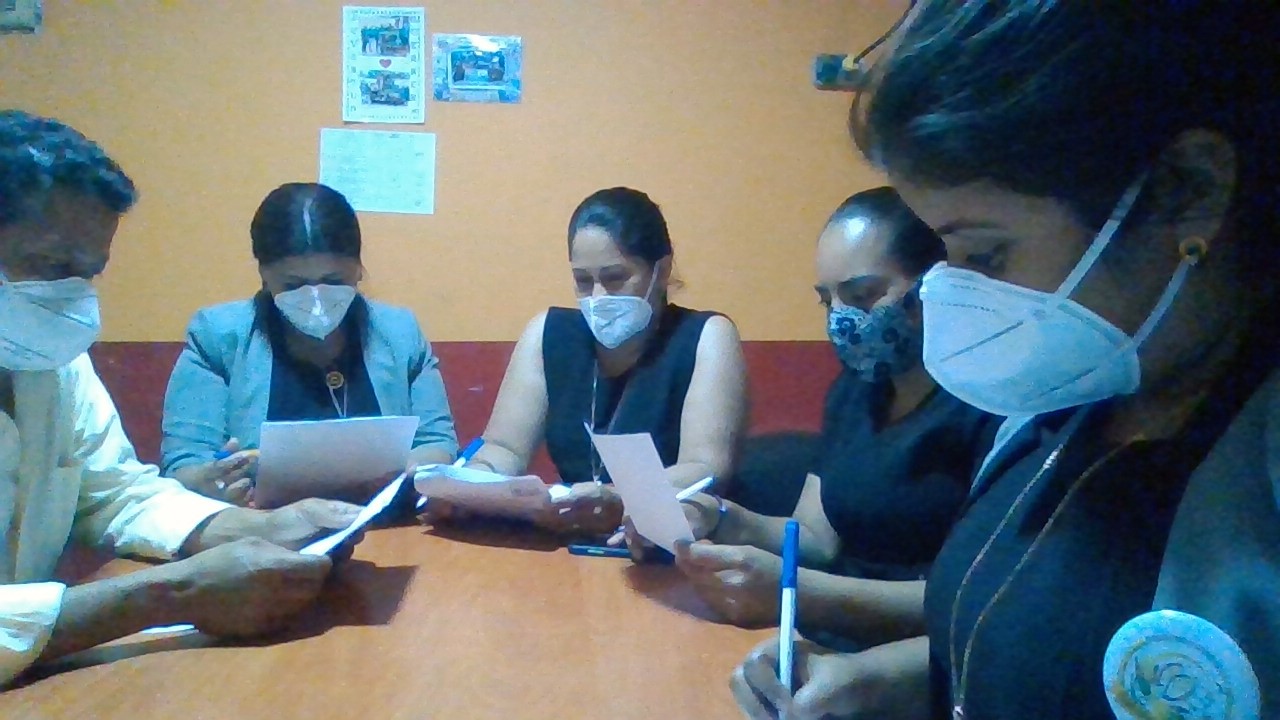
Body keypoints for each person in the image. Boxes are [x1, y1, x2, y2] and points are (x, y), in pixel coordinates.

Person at [731, 3, 1279, 719]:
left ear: (1189, 191)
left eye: (985, 254)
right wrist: (877, 681)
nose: (953, 293)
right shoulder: (1065, 401)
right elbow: (1017, 643)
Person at [0, 110, 366, 685]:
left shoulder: (53, 362)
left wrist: (251, 528)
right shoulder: (220, 333)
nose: (70, 297)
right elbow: (184, 469)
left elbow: (116, 493)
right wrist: (171, 593)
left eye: (88, 274)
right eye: (51, 266)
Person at [665, 188, 991, 639]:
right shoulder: (854, 391)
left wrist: (794, 591)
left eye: (862, 295)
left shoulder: (988, 407)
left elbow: (975, 598)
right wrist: (719, 517)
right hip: (825, 637)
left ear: (935, 287)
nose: (839, 319)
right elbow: (816, 538)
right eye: (827, 300)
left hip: (921, 658)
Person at [424, 187, 747, 536]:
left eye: (615, 278)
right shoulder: (549, 333)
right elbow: (504, 448)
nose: (598, 297)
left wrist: (619, 497)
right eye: (583, 281)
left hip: (666, 545)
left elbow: (705, 468)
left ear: (662, 270)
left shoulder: (706, 336)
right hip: (570, 543)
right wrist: (469, 485)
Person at [161, 182, 457, 506]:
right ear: (264, 274)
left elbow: (437, 442)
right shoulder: (217, 336)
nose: (316, 300)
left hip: (386, 525)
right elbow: (183, 466)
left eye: (334, 281)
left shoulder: (400, 333)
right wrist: (210, 481)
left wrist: (411, 472)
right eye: (294, 285)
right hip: (263, 526)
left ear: (359, 268)